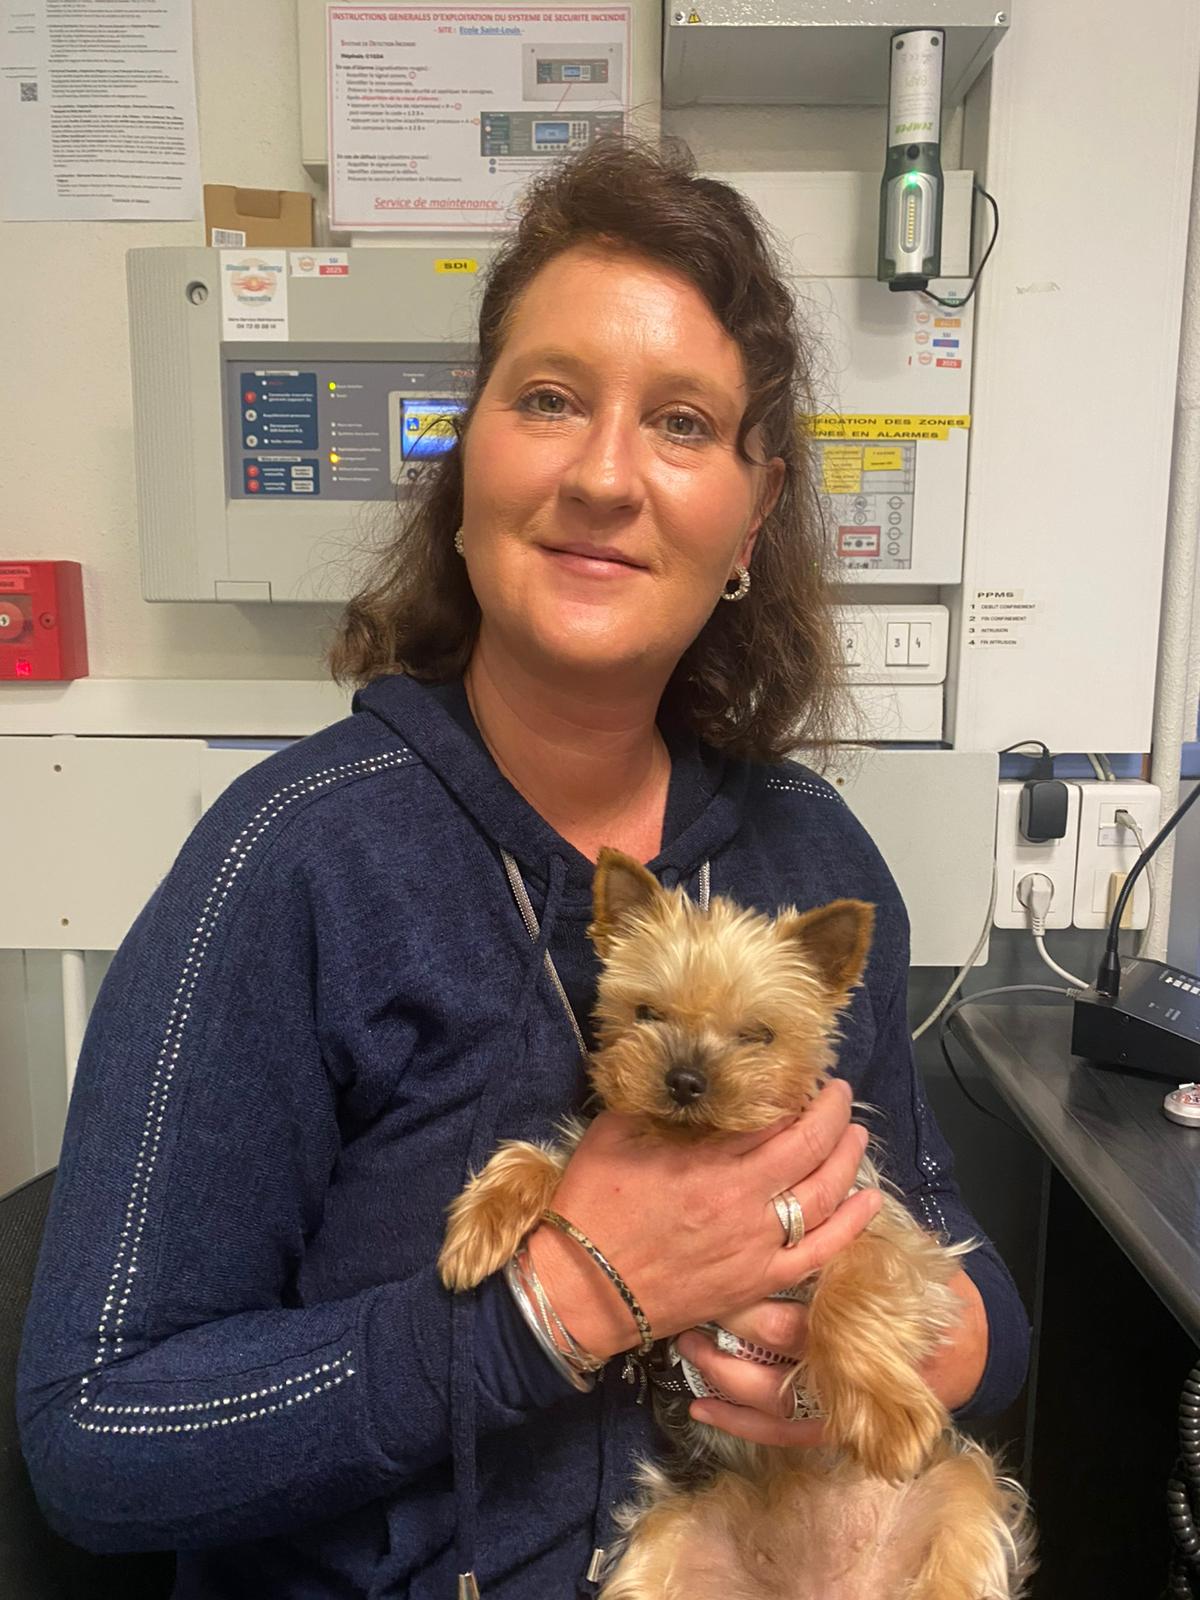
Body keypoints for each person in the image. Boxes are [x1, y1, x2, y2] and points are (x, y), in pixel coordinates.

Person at [17, 139, 1029, 1598]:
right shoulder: (293, 863)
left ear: (753, 514)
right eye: (549, 398)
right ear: (467, 463)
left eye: (682, 422)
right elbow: (96, 1435)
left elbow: (967, 1264)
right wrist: (550, 1309)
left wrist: (908, 1347)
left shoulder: (810, 846)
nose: (605, 475)